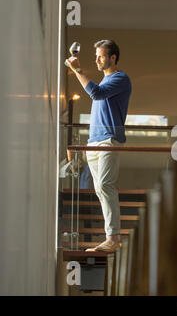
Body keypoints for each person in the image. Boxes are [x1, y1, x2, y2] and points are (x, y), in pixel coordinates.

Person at [65, 40, 132, 252]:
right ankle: (110, 236)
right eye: (96, 56)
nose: (97, 60)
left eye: (101, 56)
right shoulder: (105, 80)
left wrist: (77, 69)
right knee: (100, 189)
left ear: (113, 57)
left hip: (109, 139)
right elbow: (97, 91)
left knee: (105, 186)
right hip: (94, 141)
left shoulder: (121, 78)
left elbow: (95, 93)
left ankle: (113, 238)